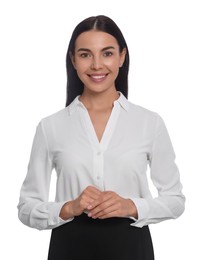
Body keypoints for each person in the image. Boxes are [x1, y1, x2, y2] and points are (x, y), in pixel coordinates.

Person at [17, 15, 185, 260]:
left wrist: (131, 206)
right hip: (69, 247)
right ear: (73, 60)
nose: (97, 65)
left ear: (121, 57)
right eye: (85, 55)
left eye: (107, 53)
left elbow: (175, 200)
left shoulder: (149, 122)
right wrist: (68, 207)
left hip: (131, 248)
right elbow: (26, 207)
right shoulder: (50, 126)